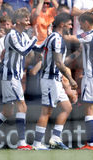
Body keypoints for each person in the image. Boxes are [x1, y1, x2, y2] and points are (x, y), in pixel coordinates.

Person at [0, 8, 37, 151]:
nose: (29, 20)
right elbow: (24, 50)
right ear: (18, 21)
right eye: (26, 18)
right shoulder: (12, 35)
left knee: (7, 112)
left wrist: (44, 44)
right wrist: (35, 39)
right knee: (22, 106)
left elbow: (31, 49)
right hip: (10, 76)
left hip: (15, 76)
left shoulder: (23, 36)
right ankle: (22, 143)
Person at [32, 13, 78, 150]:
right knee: (46, 111)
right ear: (62, 24)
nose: (71, 26)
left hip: (55, 80)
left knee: (67, 107)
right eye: (70, 24)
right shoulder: (56, 39)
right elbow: (58, 63)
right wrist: (70, 79)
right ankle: (37, 143)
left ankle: (55, 139)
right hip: (50, 80)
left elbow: (59, 61)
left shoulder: (53, 37)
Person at [64, 12, 93, 150]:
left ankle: (90, 144)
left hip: (91, 76)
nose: (81, 27)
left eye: (82, 23)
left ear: (87, 22)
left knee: (88, 110)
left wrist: (56, 33)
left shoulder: (90, 34)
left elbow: (70, 38)